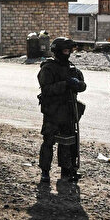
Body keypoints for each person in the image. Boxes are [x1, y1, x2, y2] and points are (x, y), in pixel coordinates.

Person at [37, 37, 87, 183]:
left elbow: (83, 85)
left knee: (68, 141)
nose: (67, 53)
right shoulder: (48, 68)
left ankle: (67, 170)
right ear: (57, 51)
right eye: (65, 51)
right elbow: (46, 89)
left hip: (68, 111)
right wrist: (65, 84)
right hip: (53, 111)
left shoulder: (72, 68)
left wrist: (78, 85)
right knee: (48, 141)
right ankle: (45, 171)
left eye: (69, 51)